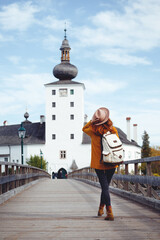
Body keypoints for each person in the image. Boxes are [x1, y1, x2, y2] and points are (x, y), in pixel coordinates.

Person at [82, 107, 119, 221]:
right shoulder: (113, 130)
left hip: (99, 164)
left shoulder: (93, 131)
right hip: (112, 162)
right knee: (106, 187)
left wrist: (92, 121)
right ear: (107, 119)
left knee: (105, 188)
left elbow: (84, 128)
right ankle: (101, 208)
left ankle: (110, 212)